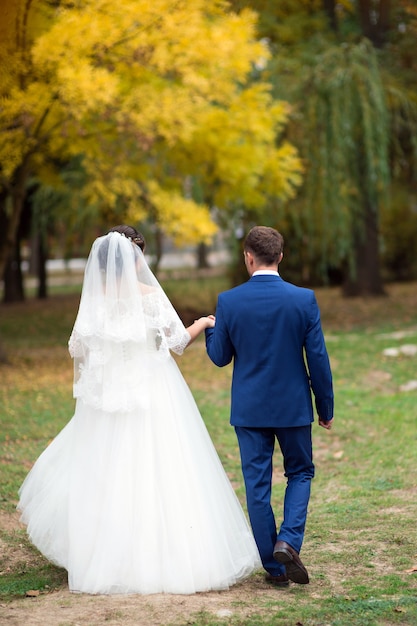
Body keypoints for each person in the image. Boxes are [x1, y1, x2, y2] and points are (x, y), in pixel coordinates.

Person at [17, 225, 261, 595]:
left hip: (107, 396)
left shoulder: (92, 301)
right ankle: (161, 557)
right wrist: (203, 323)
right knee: (157, 468)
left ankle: (106, 556)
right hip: (151, 389)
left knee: (109, 472)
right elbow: (178, 342)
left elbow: (76, 349)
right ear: (134, 259)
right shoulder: (148, 296)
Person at [205, 226, 334, 587]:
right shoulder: (303, 299)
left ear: (248, 257)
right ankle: (288, 541)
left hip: (249, 410)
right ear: (280, 256)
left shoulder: (229, 301)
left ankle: (275, 568)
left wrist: (213, 330)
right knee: (301, 472)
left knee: (256, 486)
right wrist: (325, 407)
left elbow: (219, 357)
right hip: (293, 407)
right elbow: (318, 359)